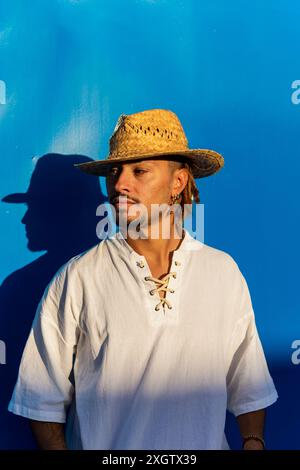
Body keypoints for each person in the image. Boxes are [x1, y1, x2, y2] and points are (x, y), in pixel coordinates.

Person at [8, 109, 278, 450]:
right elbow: (40, 397)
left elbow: (249, 385)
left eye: (139, 171)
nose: (120, 184)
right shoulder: (78, 278)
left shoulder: (222, 272)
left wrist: (253, 441)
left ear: (177, 183)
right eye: (115, 171)